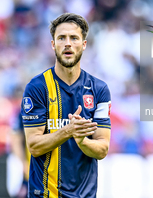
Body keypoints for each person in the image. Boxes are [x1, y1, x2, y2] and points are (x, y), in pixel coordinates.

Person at [20, 13, 111, 198]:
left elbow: (102, 149)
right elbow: (34, 146)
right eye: (61, 38)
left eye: (74, 38)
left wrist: (83, 141)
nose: (67, 43)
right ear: (53, 44)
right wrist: (68, 131)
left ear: (83, 45)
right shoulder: (37, 87)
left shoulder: (99, 89)